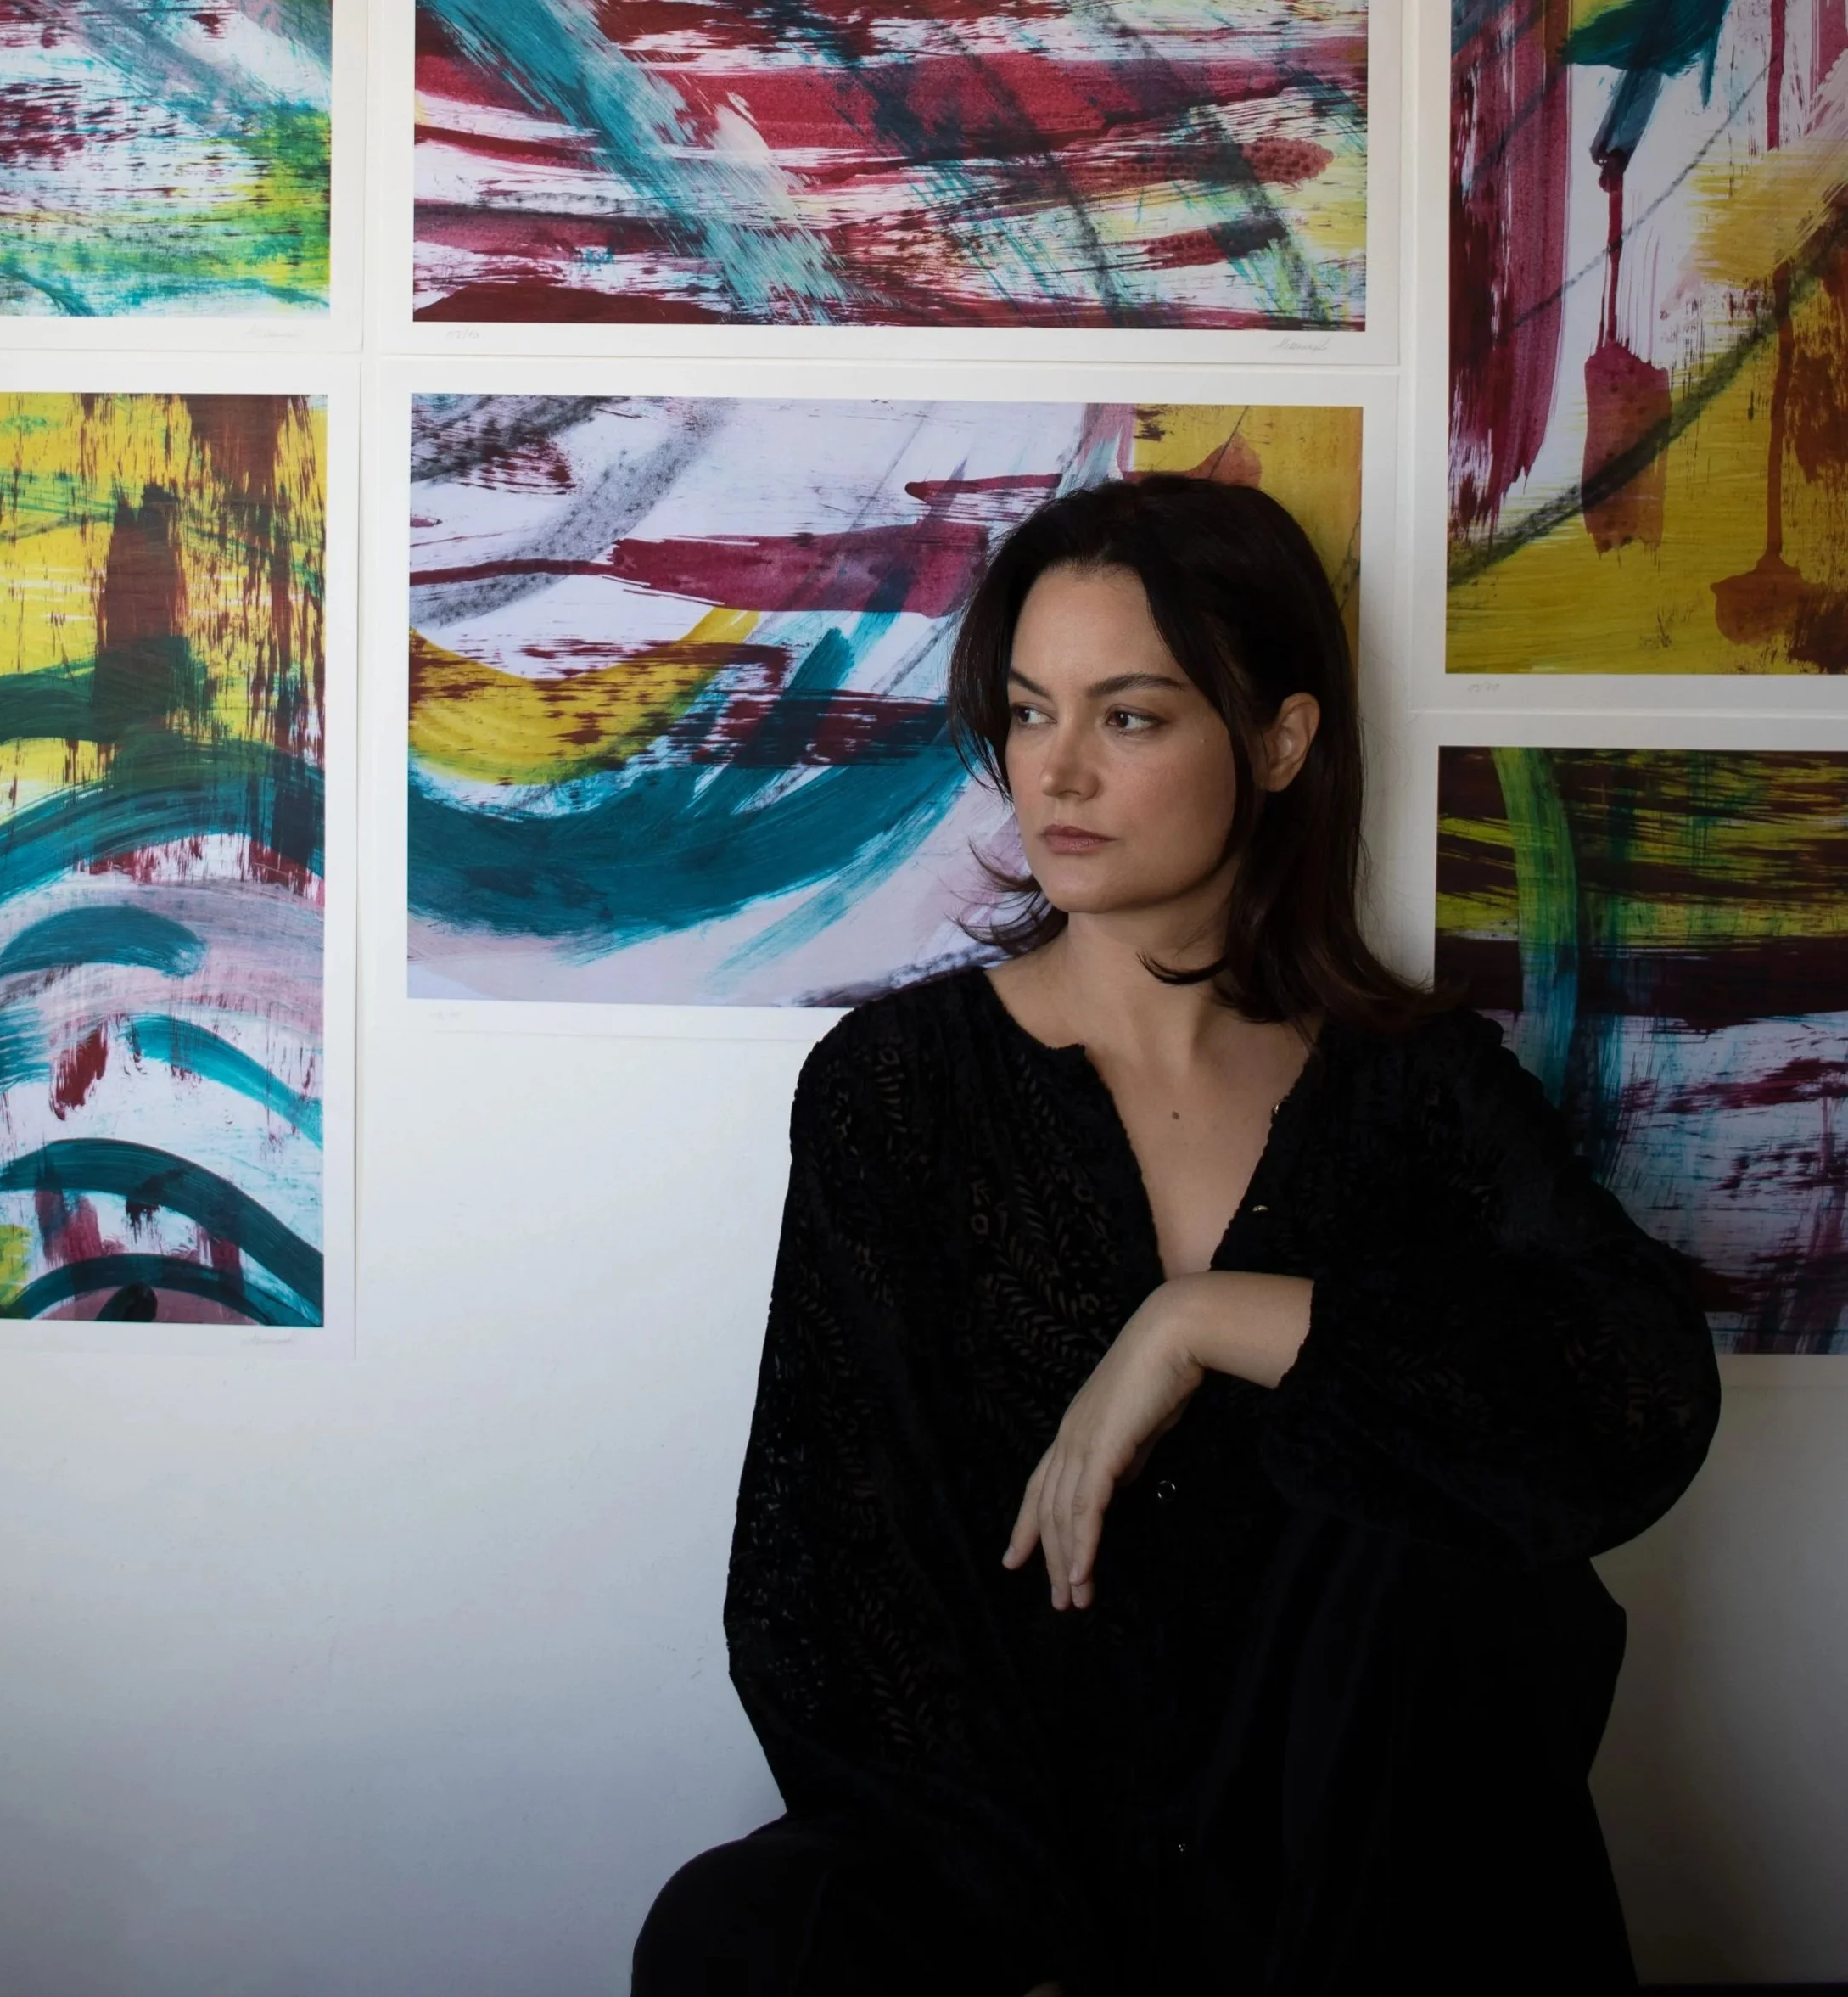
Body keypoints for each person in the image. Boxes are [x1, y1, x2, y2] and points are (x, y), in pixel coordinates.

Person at [631, 475, 1721, 1996]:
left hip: (1355, 1858)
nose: (1058, 771)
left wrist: (1205, 1322)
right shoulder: (898, 1090)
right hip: (1007, 1864)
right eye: (1030, 713)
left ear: (1278, 742)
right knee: (742, 1930)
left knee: (1429, 1548)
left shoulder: (1414, 1093)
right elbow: (828, 1580)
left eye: (1130, 718)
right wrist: (1037, 1940)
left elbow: (1633, 1396)